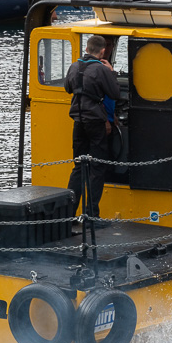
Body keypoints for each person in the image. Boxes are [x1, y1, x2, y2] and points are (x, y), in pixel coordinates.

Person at [65, 35, 120, 225]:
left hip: (78, 122)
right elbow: (114, 93)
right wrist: (111, 72)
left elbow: (67, 88)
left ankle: (69, 214)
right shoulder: (100, 69)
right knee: (97, 168)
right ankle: (91, 216)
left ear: (87, 48)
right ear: (103, 52)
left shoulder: (73, 66)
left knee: (79, 167)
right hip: (96, 122)